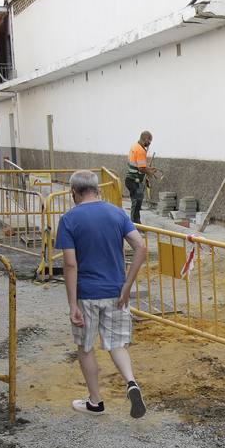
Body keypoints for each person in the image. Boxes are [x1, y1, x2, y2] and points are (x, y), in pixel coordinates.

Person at [56, 170, 149, 418]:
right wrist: (127, 286)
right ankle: (131, 382)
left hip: (87, 294)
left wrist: (72, 303)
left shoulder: (69, 219)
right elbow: (140, 246)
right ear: (97, 189)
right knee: (117, 344)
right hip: (116, 292)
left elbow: (70, 264)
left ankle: (95, 402)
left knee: (85, 348)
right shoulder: (117, 213)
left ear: (73, 192)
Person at [125, 130, 155, 223]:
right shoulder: (141, 150)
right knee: (136, 203)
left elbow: (139, 165)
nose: (149, 144)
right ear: (145, 139)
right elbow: (141, 168)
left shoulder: (135, 146)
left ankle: (137, 223)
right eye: (149, 141)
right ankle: (135, 225)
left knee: (137, 203)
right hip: (135, 180)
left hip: (131, 179)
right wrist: (149, 172)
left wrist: (148, 168)